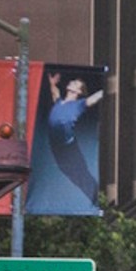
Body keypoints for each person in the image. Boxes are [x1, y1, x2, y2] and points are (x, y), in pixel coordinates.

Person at [43, 72, 104, 201]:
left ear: (79, 91)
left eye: (76, 84)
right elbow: (54, 91)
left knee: (82, 173)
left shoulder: (80, 104)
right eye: (73, 81)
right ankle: (93, 196)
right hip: (56, 147)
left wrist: (105, 90)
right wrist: (52, 83)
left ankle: (95, 198)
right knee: (69, 173)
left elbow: (94, 98)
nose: (71, 82)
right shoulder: (59, 101)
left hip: (69, 147)